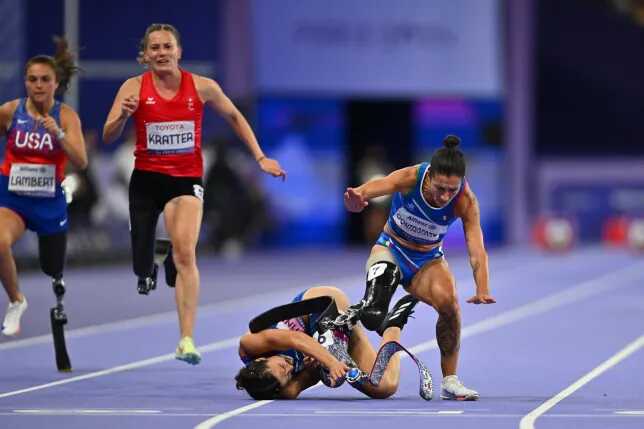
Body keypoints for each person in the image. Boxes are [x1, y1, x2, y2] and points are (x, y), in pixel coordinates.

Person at [102, 23, 286, 365]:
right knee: (141, 268)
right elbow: (108, 134)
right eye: (154, 48)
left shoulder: (202, 87)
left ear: (178, 51)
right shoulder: (132, 88)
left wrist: (260, 157)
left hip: (184, 181)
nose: (161, 53)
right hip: (145, 181)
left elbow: (234, 116)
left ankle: (186, 338)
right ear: (145, 56)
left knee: (186, 254)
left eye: (167, 46)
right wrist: (123, 118)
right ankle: (155, 259)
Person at [344, 135, 495, 401]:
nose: (445, 196)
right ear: (429, 177)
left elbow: (476, 246)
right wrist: (358, 196)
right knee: (372, 316)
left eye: (452, 189)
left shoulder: (465, 201)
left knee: (450, 305)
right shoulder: (412, 177)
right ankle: (374, 315)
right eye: (440, 188)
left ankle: (450, 381)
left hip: (427, 261)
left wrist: (482, 287)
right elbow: (380, 185)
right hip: (391, 249)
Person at [0, 37, 87, 336]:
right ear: (25, 82)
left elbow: (82, 161)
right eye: (32, 79)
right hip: (14, 197)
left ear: (56, 83)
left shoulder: (65, 116)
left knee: (51, 267)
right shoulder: (11, 112)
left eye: (45, 80)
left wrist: (60, 135)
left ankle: (57, 281)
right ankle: (16, 301)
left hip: (49, 201)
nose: (38, 85)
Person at [235, 286, 418, 399]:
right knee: (384, 387)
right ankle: (393, 324)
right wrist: (312, 368)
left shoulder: (250, 346)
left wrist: (331, 362)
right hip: (331, 336)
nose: (289, 369)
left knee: (329, 353)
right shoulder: (284, 388)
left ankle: (337, 333)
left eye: (282, 366)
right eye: (288, 375)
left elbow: (297, 339)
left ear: (260, 360)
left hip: (321, 303)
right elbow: (310, 377)